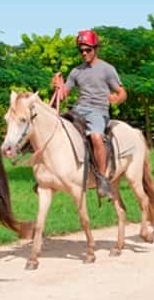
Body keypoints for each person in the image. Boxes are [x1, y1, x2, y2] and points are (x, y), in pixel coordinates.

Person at [52, 29, 127, 197]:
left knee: (96, 137)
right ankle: (52, 173)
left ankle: (102, 180)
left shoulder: (107, 69)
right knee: (56, 128)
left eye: (88, 50)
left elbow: (122, 92)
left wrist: (116, 99)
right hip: (78, 109)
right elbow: (64, 93)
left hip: (98, 111)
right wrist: (57, 85)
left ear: (96, 49)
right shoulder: (76, 72)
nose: (84, 53)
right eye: (81, 50)